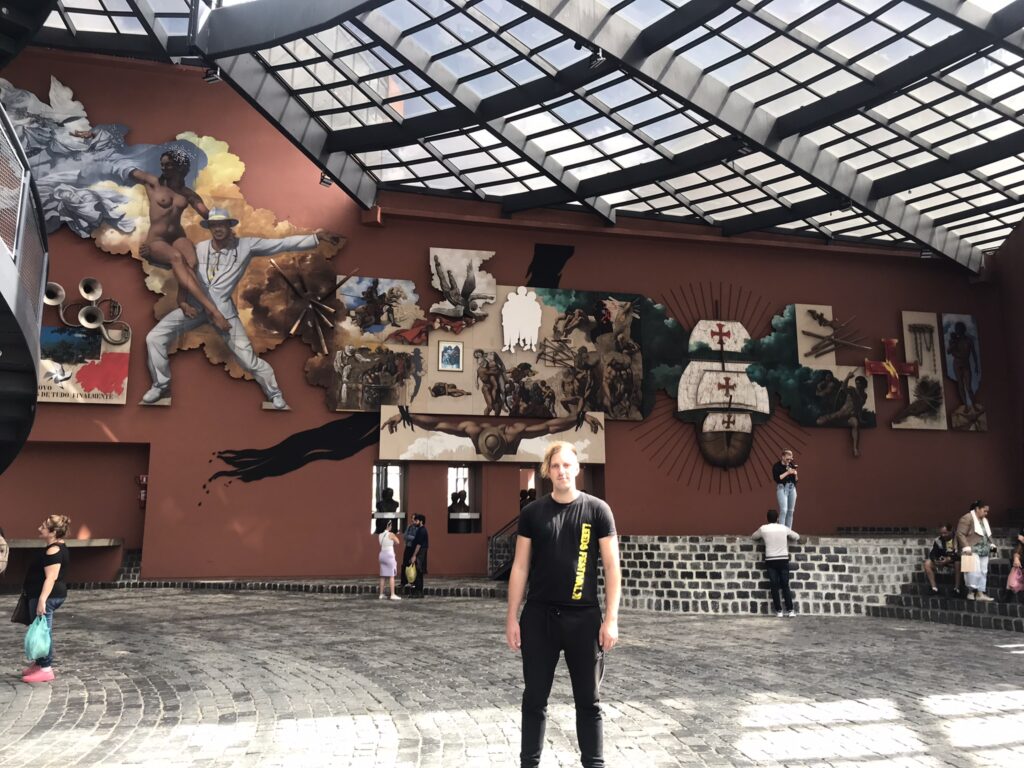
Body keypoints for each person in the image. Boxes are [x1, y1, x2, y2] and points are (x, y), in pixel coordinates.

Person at [141, 209, 340, 408]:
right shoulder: (200, 248)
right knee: (154, 338)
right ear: (209, 227)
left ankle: (275, 394)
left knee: (248, 361)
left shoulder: (245, 245)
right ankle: (161, 385)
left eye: (222, 225)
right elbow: (184, 272)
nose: (218, 229)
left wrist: (315, 238)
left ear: (229, 226)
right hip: (195, 307)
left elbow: (280, 244)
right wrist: (182, 300)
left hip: (224, 314)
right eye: (213, 225)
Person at [505, 441, 621, 768]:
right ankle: (529, 763)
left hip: (584, 619)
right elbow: (520, 567)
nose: (562, 471)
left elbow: (612, 567)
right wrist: (512, 617)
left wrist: (610, 619)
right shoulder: (532, 514)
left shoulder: (598, 510)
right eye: (556, 466)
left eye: (567, 465)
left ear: (577, 469)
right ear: (548, 471)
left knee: (589, 702)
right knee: (534, 700)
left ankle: (594, 764)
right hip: (539, 617)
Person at [380, 408, 603, 462]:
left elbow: (437, 424)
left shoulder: (474, 431)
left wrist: (406, 415)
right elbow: (549, 427)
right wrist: (579, 417)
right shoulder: (514, 432)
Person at [21, 514, 72, 684]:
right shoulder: (55, 547)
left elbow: (51, 578)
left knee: (44, 631)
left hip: (48, 597)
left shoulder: (54, 549)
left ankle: (46, 669)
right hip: (44, 595)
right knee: (40, 630)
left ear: (53, 532)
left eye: (43, 526)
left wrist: (42, 600)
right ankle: (39, 663)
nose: (39, 528)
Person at [752, 509, 799, 617]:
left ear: (767, 519)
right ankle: (790, 610)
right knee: (785, 585)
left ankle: (779, 611)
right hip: (783, 559)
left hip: (771, 560)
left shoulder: (763, 529)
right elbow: (796, 536)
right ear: (777, 518)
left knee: (774, 586)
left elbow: (754, 537)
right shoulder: (783, 528)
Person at [956, 500, 995, 602]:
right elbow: (960, 534)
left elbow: (988, 535)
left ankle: (980, 593)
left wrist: (993, 546)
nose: (986, 513)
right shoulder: (967, 518)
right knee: (972, 572)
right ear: (977, 509)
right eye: (984, 511)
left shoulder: (985, 520)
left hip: (984, 550)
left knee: (983, 572)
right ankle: (971, 592)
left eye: (987, 512)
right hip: (971, 550)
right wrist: (966, 547)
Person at [923, 524, 960, 594]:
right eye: (941, 533)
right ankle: (934, 588)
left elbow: (960, 554)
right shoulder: (938, 540)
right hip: (943, 562)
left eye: (945, 533)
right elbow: (933, 553)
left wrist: (949, 559)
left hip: (955, 561)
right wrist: (935, 560)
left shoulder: (957, 539)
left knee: (958, 562)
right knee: (927, 563)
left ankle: (957, 589)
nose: (943, 535)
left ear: (951, 531)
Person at [771, 449, 799, 528]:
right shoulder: (777, 466)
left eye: (790, 459)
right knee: (784, 510)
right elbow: (777, 479)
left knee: (791, 511)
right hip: (782, 488)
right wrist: (788, 472)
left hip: (791, 488)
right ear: (783, 457)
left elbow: (796, 480)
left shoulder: (791, 465)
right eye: (787, 459)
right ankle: (782, 531)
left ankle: (788, 531)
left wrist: (795, 474)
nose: (789, 461)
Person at [377, 521, 401, 601]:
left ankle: (381, 594)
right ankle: (393, 594)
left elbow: (382, 544)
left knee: (383, 576)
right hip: (389, 555)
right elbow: (398, 542)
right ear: (388, 526)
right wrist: (392, 542)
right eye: (390, 525)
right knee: (391, 575)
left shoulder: (380, 535)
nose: (391, 526)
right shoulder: (391, 534)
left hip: (382, 555)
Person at [408, 514, 428, 597]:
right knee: (418, 572)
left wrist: (414, 556)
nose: (415, 522)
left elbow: (419, 545)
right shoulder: (421, 530)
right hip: (420, 553)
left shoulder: (421, 531)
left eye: (416, 521)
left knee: (418, 572)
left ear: (421, 521)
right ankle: (418, 592)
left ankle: (418, 592)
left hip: (420, 553)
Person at [399, 515, 419, 592]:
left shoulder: (418, 528)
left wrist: (410, 537)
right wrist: (411, 537)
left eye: (414, 519)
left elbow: (416, 538)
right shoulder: (409, 526)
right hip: (408, 547)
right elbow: (404, 536)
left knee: (413, 564)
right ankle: (403, 582)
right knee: (404, 564)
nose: (412, 520)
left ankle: (413, 582)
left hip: (414, 548)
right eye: (412, 519)